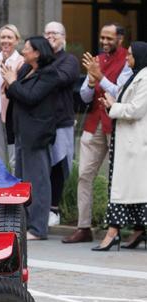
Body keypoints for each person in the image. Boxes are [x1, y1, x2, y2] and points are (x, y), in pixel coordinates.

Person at [62, 23, 132, 243]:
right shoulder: (97, 59)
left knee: (117, 177)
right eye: (102, 37)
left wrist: (99, 77)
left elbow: (120, 91)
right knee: (84, 175)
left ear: (120, 39)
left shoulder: (128, 61)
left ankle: (116, 227)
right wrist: (91, 82)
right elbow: (84, 96)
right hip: (94, 123)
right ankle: (84, 227)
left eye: (109, 38)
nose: (104, 42)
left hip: (116, 124)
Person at [3, 36, 60, 240]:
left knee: (38, 181)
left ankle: (38, 228)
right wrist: (9, 83)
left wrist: (12, 82)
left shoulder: (50, 74)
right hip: (21, 131)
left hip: (37, 133)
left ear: (37, 52)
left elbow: (31, 97)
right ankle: (24, 224)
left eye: (27, 48)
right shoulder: (26, 69)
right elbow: (15, 95)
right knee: (22, 178)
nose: (23, 51)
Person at [93, 42, 147, 251]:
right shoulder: (136, 75)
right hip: (126, 141)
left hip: (135, 143)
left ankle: (113, 233)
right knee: (129, 189)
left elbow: (136, 109)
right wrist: (111, 104)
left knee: (125, 190)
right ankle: (138, 231)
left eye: (131, 55)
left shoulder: (144, 78)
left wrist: (112, 106)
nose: (127, 58)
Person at [43, 21, 80, 227]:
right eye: (47, 33)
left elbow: (61, 79)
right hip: (40, 122)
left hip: (61, 121)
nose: (50, 36)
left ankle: (53, 209)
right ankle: (40, 207)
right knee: (42, 167)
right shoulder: (40, 60)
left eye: (55, 33)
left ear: (63, 37)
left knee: (58, 164)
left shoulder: (69, 60)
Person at [0, 24, 23, 169]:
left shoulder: (22, 61)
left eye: (9, 37)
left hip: (12, 114)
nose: (5, 40)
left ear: (17, 40)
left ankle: (14, 190)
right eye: (3, 37)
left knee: (14, 159)